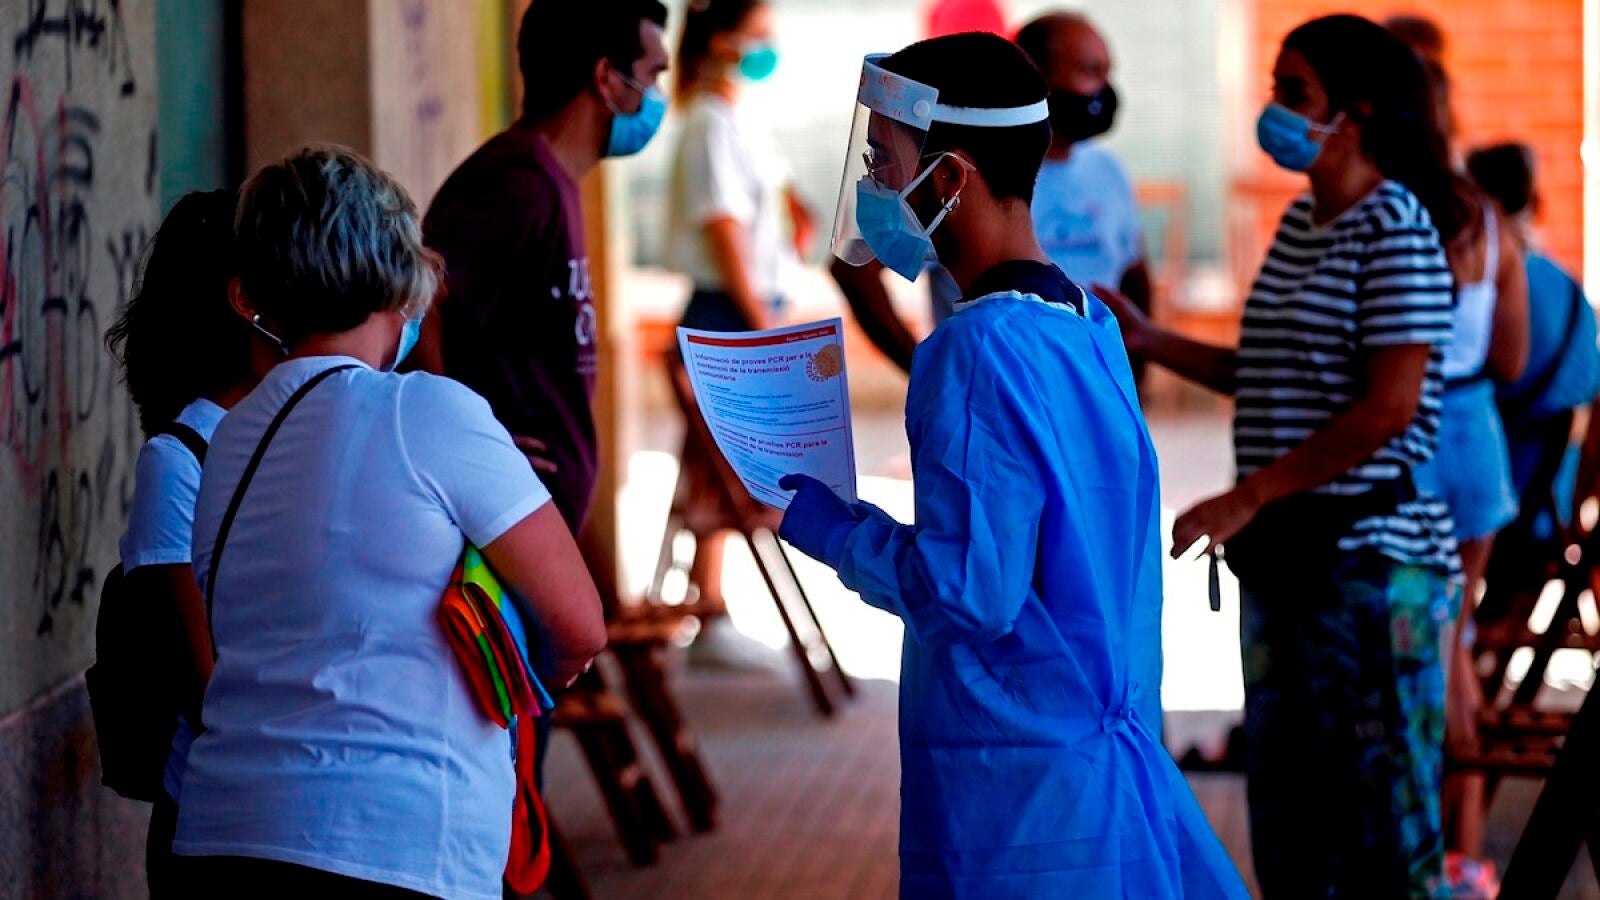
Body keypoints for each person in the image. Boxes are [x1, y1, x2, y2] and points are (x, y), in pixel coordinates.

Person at [778, 33, 1245, 898]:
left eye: (884, 163)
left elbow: (969, 593)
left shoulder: (974, 349)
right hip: (1094, 762)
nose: (874, 187)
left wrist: (838, 532)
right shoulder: (1089, 323)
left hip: (1018, 793)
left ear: (948, 178)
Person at [170, 146, 606, 898]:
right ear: (400, 273)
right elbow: (579, 626)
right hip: (389, 842)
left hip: (224, 837)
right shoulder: (425, 410)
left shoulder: (232, 439)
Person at [1100, 15, 1463, 896]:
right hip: (1287, 564)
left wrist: (1250, 495)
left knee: (1383, 819)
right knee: (1290, 809)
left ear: (1356, 113)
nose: (1275, 112)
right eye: (1276, 90)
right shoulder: (1304, 222)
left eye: (1294, 94)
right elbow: (1268, 370)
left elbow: (1389, 406)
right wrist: (1151, 340)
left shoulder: (1396, 226)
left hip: (1367, 568)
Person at [413, 0, 670, 534]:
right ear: (606, 77)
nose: (656, 98)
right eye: (652, 76)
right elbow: (415, 301)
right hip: (497, 528)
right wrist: (460, 439)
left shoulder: (552, 182)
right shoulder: (518, 185)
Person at [104, 189, 273, 897]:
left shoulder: (295, 433)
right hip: (216, 825)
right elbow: (202, 685)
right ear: (244, 302)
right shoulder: (179, 460)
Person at [665, 0, 815, 648]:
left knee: (724, 471)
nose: (766, 49)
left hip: (749, 309)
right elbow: (723, 228)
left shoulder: (737, 115)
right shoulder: (707, 121)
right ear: (721, 41)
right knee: (726, 479)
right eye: (757, 37)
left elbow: (765, 209)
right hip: (727, 313)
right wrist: (762, 323)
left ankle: (711, 603)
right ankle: (710, 611)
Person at [1016, 12, 1151, 377]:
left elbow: (1134, 272)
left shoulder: (1108, 170)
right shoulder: (980, 175)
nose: (1105, 89)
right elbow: (868, 270)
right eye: (1091, 71)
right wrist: (918, 363)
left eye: (1108, 73)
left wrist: (1137, 376)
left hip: (1100, 389)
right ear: (1036, 76)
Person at [1467, 142, 1600, 506]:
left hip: (1491, 503)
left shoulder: (1483, 293)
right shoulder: (1571, 291)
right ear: (1535, 202)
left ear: (1484, 204)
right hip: (1552, 505)